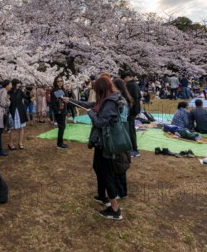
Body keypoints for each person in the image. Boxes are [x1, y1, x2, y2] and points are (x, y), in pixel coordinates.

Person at [65, 75, 126, 220]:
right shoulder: (104, 99)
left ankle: (115, 209)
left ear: (101, 89)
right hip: (100, 142)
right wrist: (69, 100)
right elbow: (88, 105)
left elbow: (100, 122)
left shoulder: (110, 102)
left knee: (105, 173)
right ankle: (103, 197)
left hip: (106, 143)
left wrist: (91, 114)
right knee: (98, 168)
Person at [120, 71, 141, 157]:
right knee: (131, 129)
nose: (124, 81)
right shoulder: (135, 84)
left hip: (131, 110)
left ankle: (134, 149)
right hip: (135, 109)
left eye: (124, 79)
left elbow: (129, 99)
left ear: (127, 77)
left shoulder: (130, 85)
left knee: (130, 130)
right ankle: (133, 148)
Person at [8, 79, 28, 150]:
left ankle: (20, 143)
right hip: (13, 111)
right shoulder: (9, 92)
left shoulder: (20, 91)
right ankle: (10, 143)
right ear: (15, 84)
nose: (20, 84)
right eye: (19, 83)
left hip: (20, 111)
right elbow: (8, 102)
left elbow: (26, 97)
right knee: (12, 128)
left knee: (21, 127)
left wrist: (32, 96)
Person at [50, 76, 68, 149]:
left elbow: (66, 98)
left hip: (63, 110)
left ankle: (61, 142)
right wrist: (57, 111)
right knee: (61, 127)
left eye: (61, 81)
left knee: (63, 127)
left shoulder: (62, 89)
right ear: (55, 82)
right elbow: (53, 103)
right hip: (59, 112)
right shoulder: (54, 91)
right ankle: (59, 144)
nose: (60, 82)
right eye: (58, 81)